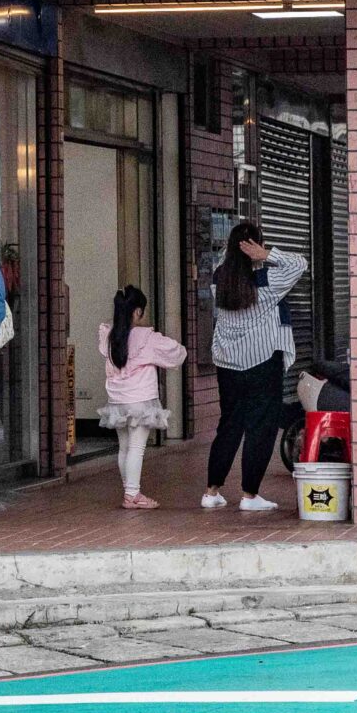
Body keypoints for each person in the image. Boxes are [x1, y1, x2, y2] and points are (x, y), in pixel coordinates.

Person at [202, 218, 305, 512]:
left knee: (229, 424)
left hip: (227, 362)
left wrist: (238, 251)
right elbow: (300, 264)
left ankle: (211, 491)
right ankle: (249, 495)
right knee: (261, 426)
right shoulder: (269, 282)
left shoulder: (218, 280)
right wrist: (268, 255)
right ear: (256, 247)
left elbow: (230, 266)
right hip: (261, 361)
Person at [98, 284, 186, 509]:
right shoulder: (147, 338)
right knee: (137, 448)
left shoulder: (109, 336)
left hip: (117, 401)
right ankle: (132, 494)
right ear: (137, 312)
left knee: (124, 448)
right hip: (140, 400)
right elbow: (177, 352)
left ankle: (130, 490)